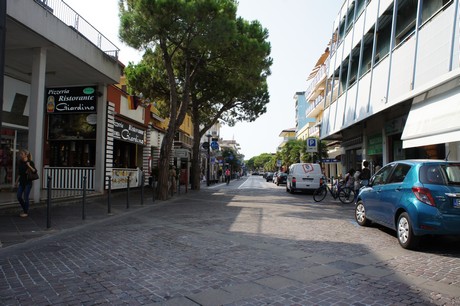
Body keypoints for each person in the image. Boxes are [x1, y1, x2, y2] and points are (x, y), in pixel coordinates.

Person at [15, 149, 37, 218]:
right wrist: (16, 182)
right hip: (21, 182)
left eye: (22, 154)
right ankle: (25, 208)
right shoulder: (20, 162)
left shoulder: (30, 162)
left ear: (26, 155)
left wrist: (29, 165)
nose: (20, 155)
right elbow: (19, 173)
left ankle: (25, 212)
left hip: (28, 182)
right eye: (20, 154)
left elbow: (35, 171)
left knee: (25, 197)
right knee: (19, 196)